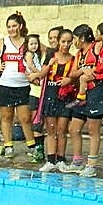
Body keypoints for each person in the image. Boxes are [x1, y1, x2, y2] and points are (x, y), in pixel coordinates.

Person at [0, 12, 41, 160]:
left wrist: (37, 73)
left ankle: (31, 146)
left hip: (23, 85)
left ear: (20, 26)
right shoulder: (3, 42)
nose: (11, 29)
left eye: (14, 26)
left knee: (25, 117)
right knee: (6, 116)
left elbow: (45, 51)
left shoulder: (28, 42)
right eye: (9, 26)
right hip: (5, 84)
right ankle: (8, 145)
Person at [66, 24, 103, 178]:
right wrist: (82, 70)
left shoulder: (99, 48)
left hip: (98, 92)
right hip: (82, 93)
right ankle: (77, 161)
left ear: (82, 38)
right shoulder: (80, 54)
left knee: (93, 130)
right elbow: (73, 73)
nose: (73, 42)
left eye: (74, 38)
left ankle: (91, 165)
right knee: (74, 128)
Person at [38, 28, 75, 172]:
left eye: (69, 42)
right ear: (58, 41)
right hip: (51, 94)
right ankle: (50, 159)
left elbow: (76, 77)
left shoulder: (73, 59)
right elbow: (41, 75)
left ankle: (60, 159)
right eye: (63, 41)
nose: (66, 45)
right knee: (51, 129)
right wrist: (49, 65)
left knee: (62, 129)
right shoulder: (50, 55)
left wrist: (70, 79)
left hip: (66, 97)